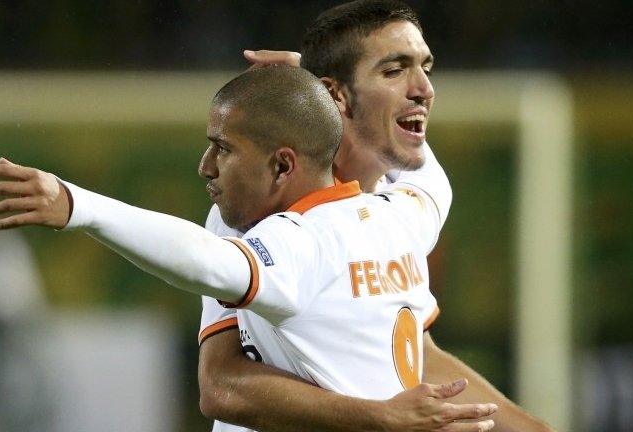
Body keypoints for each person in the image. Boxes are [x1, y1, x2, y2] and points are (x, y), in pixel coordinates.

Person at [0, 65, 496, 431]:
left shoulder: (300, 242)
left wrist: (76, 205)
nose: (205, 166)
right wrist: (318, 89)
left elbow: (207, 261)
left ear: (283, 165)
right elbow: (426, 169)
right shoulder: (401, 214)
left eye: (223, 149)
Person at [196, 1, 555, 432]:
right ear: (336, 95)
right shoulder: (259, 209)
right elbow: (221, 385)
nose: (424, 87)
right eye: (395, 70)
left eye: (426, 67)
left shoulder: (393, 206)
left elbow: (412, 356)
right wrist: (380, 420)